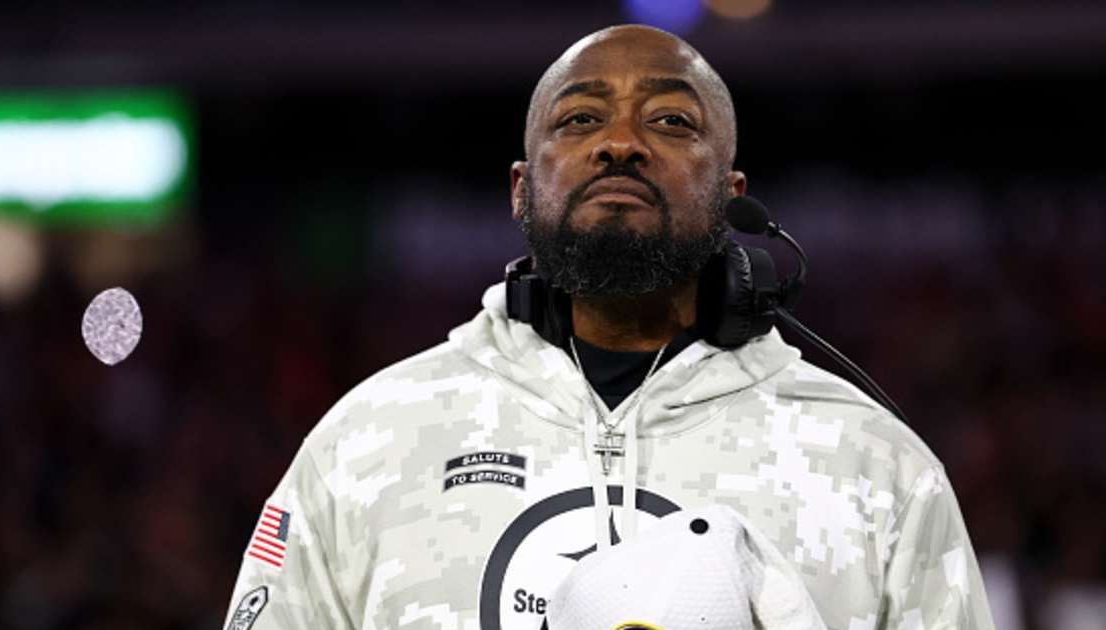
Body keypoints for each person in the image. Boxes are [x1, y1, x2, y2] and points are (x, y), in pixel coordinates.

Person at [222, 24, 995, 630]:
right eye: (581, 118)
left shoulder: (875, 466)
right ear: (522, 191)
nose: (620, 142)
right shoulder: (366, 444)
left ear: (731, 195)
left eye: (669, 120)